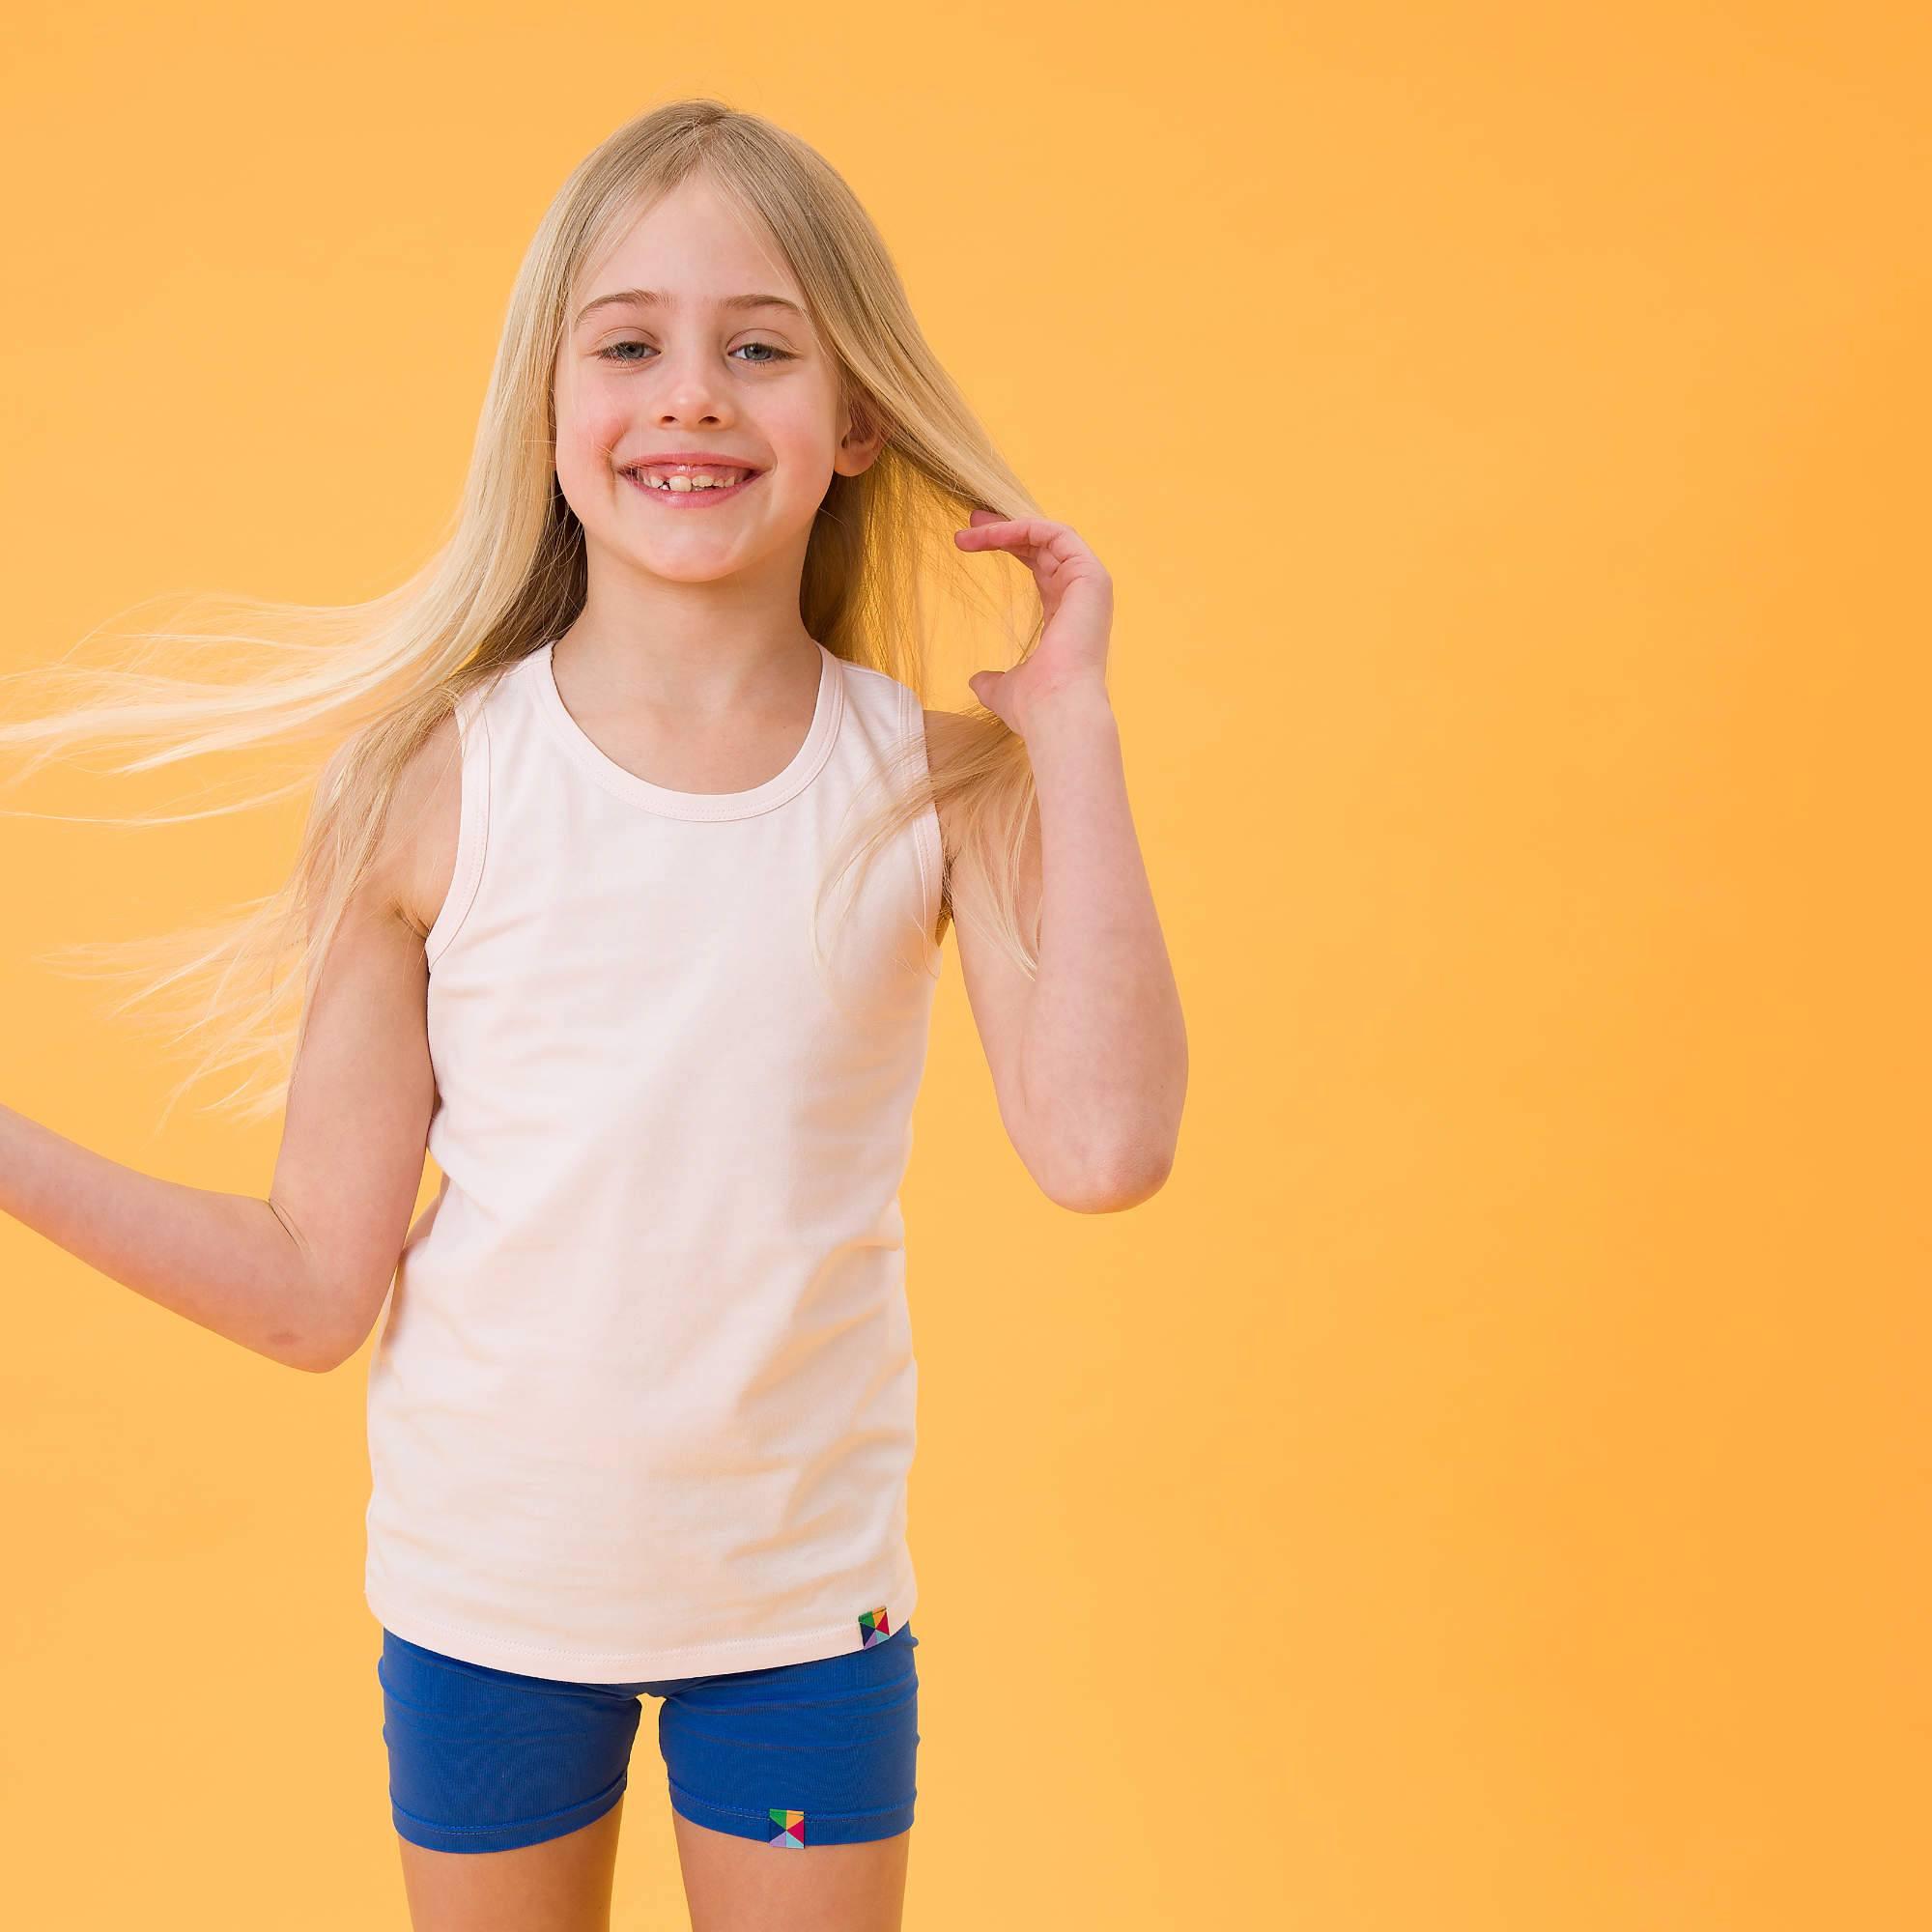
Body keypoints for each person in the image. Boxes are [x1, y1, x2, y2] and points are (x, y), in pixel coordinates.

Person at [0, 97, 1187, 1932]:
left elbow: (1104, 1150)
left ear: (856, 416)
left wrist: (1078, 731)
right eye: (627, 343)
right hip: (489, 1608)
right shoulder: (425, 787)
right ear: (550, 421)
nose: (693, 393)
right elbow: (317, 1290)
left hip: (804, 1612)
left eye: (760, 347)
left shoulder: (943, 786)